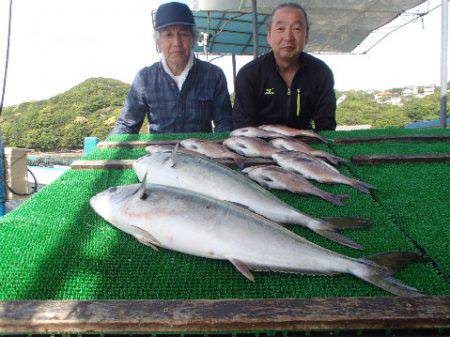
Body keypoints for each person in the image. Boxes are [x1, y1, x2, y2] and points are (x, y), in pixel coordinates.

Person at [111, 2, 233, 134]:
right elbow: (127, 124)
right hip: (160, 153)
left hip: (200, 153)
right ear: (159, 41)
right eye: (168, 34)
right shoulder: (144, 78)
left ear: (193, 39)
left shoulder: (214, 75)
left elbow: (224, 122)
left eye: (183, 34)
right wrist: (107, 150)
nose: (177, 43)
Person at [232, 3, 336, 132]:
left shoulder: (321, 72)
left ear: (306, 35)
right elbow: (243, 128)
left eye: (296, 29)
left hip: (304, 144)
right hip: (262, 144)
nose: (288, 37)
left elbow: (326, 125)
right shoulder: (249, 75)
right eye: (280, 28)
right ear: (269, 36)